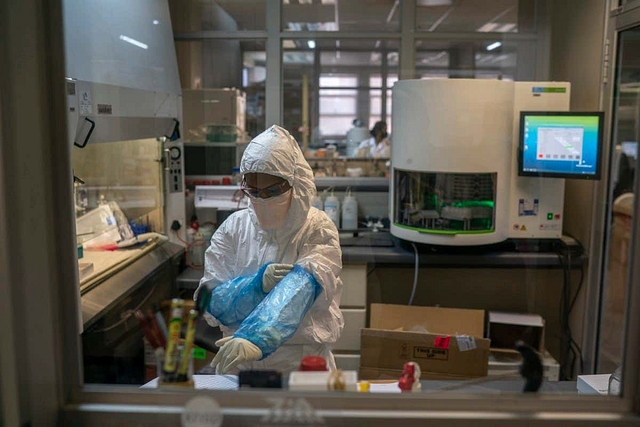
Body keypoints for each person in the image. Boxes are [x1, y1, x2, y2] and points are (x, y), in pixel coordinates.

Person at [194, 125, 344, 375]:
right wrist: (256, 285)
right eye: (254, 191)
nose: (262, 199)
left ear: (297, 184)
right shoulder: (234, 228)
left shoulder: (317, 227)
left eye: (273, 191)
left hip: (299, 365)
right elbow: (213, 300)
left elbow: (305, 283)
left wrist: (257, 336)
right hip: (237, 364)